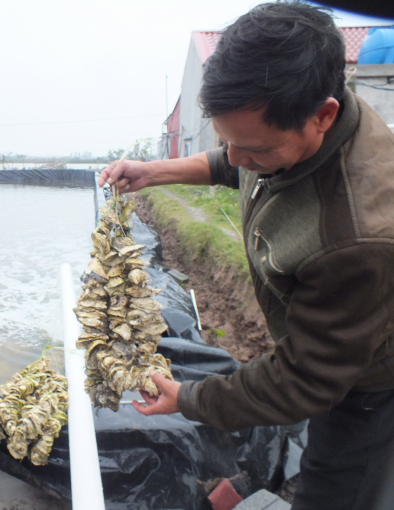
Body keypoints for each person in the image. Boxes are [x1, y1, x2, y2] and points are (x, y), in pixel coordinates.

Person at [101, 3, 394, 509]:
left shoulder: (358, 235)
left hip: (368, 383)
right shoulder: (290, 127)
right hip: (325, 339)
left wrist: (188, 398)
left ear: (322, 116)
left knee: (334, 487)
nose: (237, 160)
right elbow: (235, 161)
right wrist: (154, 172)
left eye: (253, 149)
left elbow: (306, 381)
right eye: (226, 140)